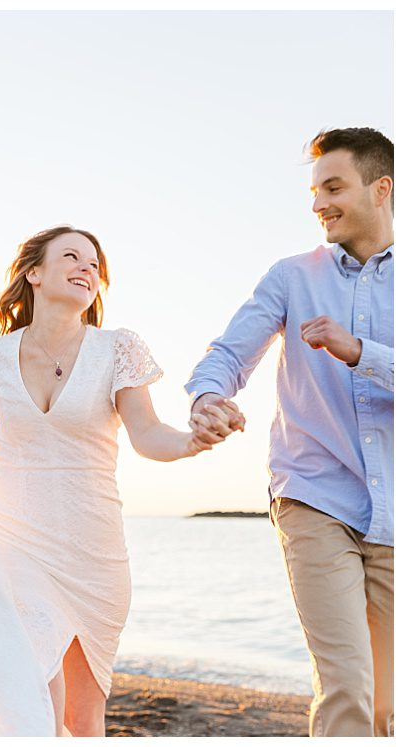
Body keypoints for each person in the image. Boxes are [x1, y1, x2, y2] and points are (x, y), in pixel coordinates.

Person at [0, 226, 239, 737]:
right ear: (33, 273)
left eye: (95, 263)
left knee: (82, 721)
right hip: (12, 537)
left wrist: (192, 442)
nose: (88, 268)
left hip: (94, 554)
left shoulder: (118, 349)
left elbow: (148, 435)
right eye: (72, 256)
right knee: (35, 687)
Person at [185, 127, 393, 737]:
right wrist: (208, 398)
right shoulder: (291, 276)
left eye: (334, 186)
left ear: (381, 189)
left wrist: (363, 352)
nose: (318, 203)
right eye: (313, 190)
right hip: (314, 495)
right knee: (348, 684)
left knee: (388, 702)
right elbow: (228, 353)